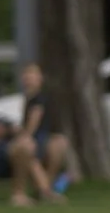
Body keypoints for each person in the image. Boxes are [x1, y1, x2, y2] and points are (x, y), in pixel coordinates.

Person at [7, 62, 71, 205]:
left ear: (40, 78)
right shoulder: (28, 97)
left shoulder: (39, 98)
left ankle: (45, 190)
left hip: (40, 136)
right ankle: (45, 191)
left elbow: (36, 116)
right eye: (26, 75)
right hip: (36, 138)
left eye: (33, 74)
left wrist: (26, 134)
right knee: (31, 157)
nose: (29, 78)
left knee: (32, 155)